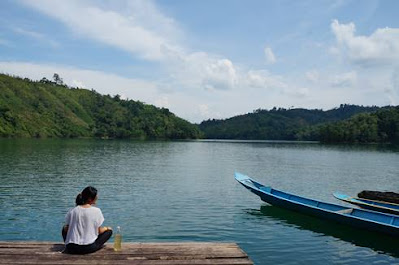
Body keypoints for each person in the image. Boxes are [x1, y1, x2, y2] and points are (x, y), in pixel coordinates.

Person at [62, 186, 113, 254]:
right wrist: (107, 228)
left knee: (63, 228)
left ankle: (68, 244)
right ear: (90, 199)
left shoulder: (72, 210)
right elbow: (99, 231)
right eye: (95, 196)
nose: (97, 197)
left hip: (71, 248)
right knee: (109, 232)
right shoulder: (96, 211)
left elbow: (66, 229)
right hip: (88, 248)